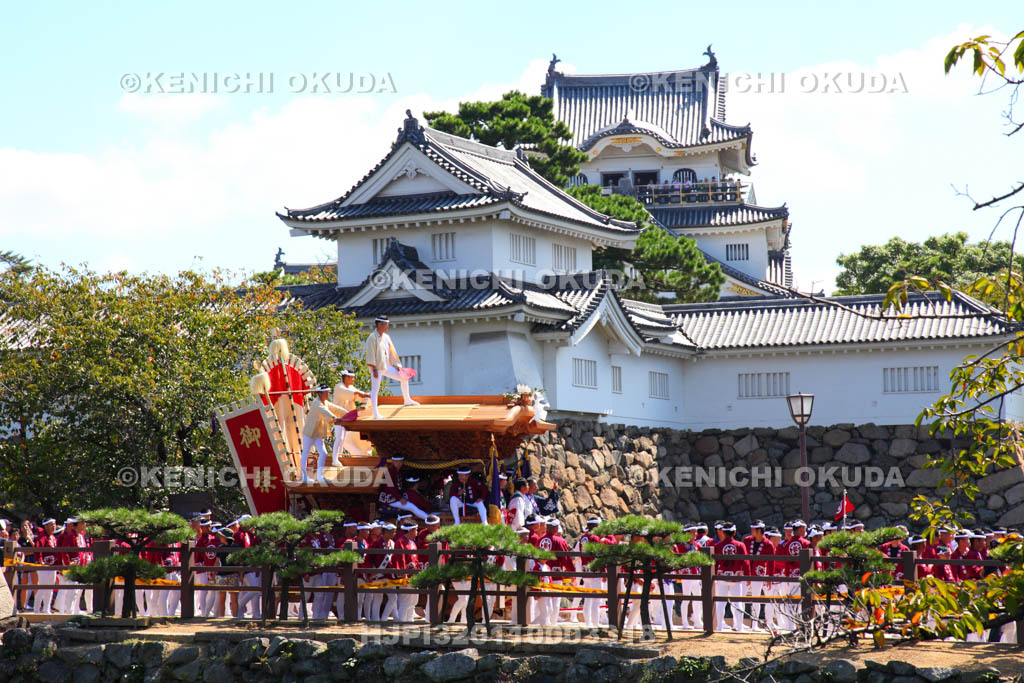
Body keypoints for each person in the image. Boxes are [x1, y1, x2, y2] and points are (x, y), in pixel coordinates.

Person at [364, 315, 419, 418]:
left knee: (404, 378)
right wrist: (374, 369)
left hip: (386, 365)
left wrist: (397, 365)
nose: (387, 327)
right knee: (375, 390)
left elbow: (392, 351)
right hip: (377, 367)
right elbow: (370, 354)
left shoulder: (386, 337)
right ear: (380, 325)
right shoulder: (372, 338)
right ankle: (375, 414)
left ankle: (407, 400)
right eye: (386, 325)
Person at [301, 385, 347, 484]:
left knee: (323, 453)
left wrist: (348, 413)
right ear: (320, 393)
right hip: (309, 433)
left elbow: (336, 409)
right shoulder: (316, 403)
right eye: (326, 392)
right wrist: (336, 419)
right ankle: (304, 477)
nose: (328, 394)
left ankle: (320, 477)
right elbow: (328, 413)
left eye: (328, 392)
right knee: (305, 453)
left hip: (317, 434)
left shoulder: (324, 402)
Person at [714, 523, 749, 632]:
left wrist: (714, 576)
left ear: (723, 532)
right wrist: (748, 576)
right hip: (736, 577)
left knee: (721, 603)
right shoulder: (740, 545)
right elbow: (745, 562)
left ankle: (719, 627)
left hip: (722, 577)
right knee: (738, 603)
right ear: (734, 532)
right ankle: (739, 627)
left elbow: (714, 563)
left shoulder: (718, 546)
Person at [332, 369, 370, 458]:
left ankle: (338, 457)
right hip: (339, 418)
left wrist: (366, 396)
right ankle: (335, 458)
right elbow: (352, 393)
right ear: (346, 378)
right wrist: (362, 394)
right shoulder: (338, 387)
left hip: (348, 419)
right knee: (340, 438)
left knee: (344, 439)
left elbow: (358, 396)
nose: (353, 379)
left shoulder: (351, 388)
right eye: (352, 378)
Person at [32, 518, 61, 614]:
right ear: (46, 526)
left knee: (50, 588)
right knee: (43, 587)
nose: (53, 526)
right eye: (51, 525)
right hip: (44, 566)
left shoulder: (53, 537)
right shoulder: (42, 537)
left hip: (53, 565)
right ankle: (36, 609)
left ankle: (46, 609)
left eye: (54, 524)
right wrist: (40, 561)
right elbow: (38, 549)